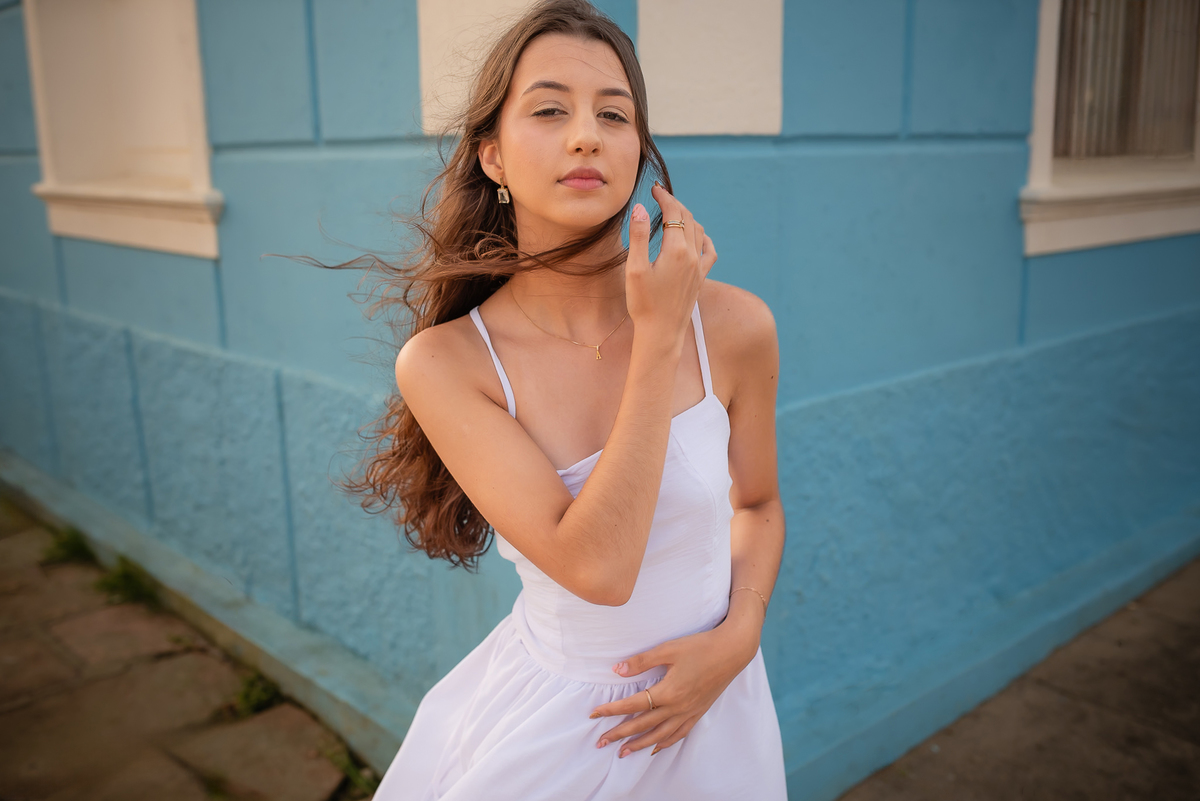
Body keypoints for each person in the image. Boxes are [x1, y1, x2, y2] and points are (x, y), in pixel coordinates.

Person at [357, 1, 787, 797]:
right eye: (550, 110)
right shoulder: (449, 363)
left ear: (638, 152)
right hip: (562, 730)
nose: (586, 135)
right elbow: (601, 568)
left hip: (719, 709)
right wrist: (657, 343)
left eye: (613, 115)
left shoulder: (735, 327)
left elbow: (758, 505)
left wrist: (739, 635)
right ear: (492, 156)